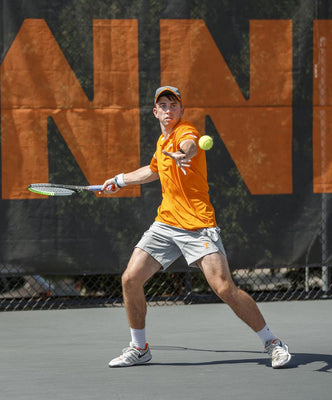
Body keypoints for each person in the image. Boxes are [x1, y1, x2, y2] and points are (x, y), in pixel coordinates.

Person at [101, 86, 291, 369]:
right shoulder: (161, 141)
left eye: (173, 105)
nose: (168, 110)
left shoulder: (185, 132)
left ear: (181, 111)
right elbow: (153, 170)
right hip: (166, 222)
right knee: (130, 279)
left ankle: (272, 342)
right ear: (155, 112)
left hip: (198, 225)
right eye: (163, 106)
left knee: (224, 288)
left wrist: (183, 153)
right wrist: (119, 180)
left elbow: (190, 145)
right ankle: (139, 348)